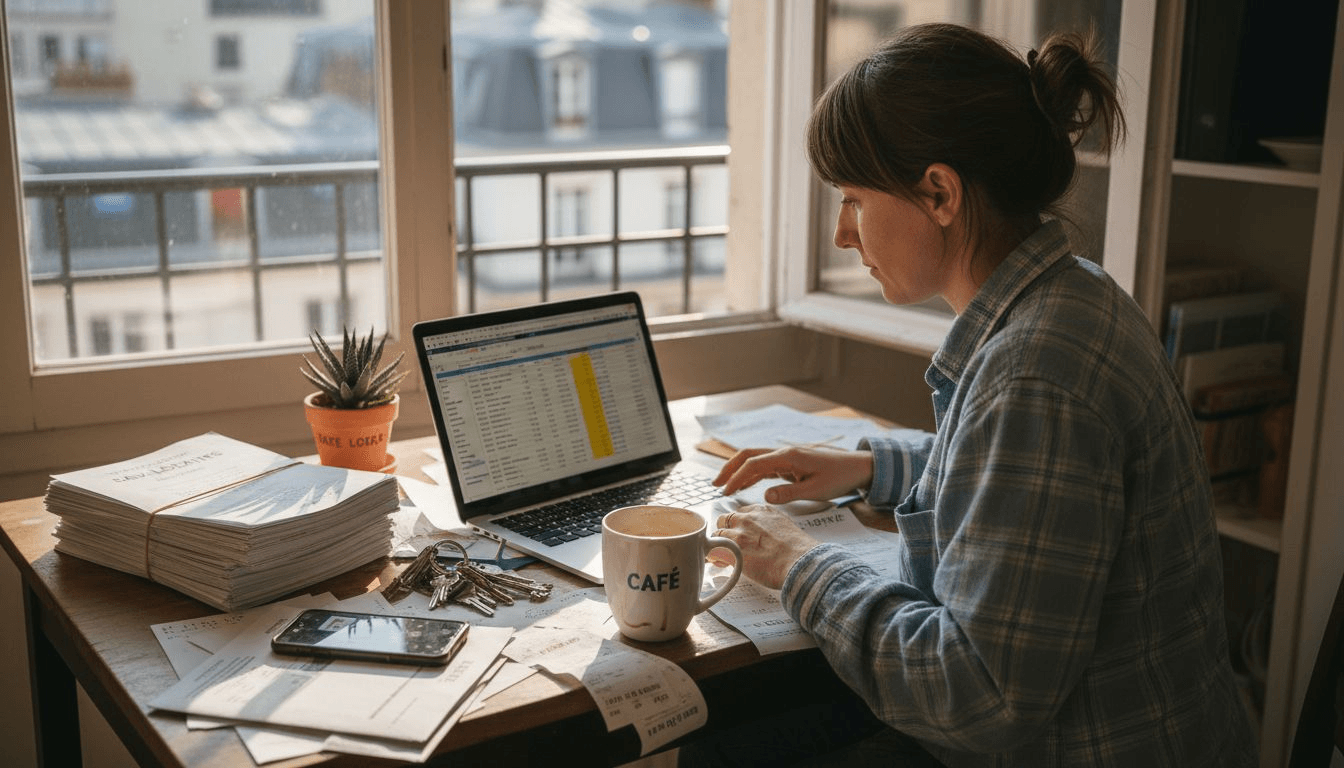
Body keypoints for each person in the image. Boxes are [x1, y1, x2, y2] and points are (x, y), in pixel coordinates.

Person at [693, 22, 1259, 768]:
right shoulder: (1070, 297)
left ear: (939, 194)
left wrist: (799, 562)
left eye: (854, 199)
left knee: (717, 739)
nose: (841, 234)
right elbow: (1011, 476)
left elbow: (977, 699)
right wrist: (869, 468)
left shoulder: (1034, 373)